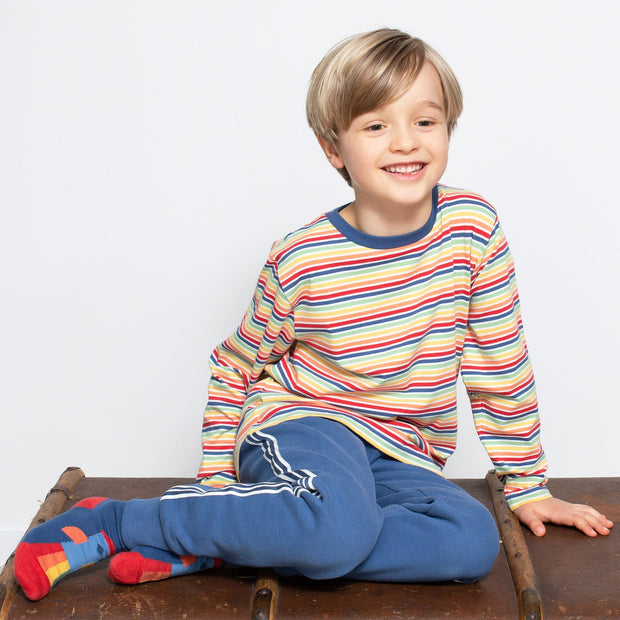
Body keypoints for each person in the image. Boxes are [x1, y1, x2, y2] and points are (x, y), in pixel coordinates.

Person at [14, 28, 613, 602]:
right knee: (333, 531)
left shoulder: (474, 231)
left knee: (470, 544)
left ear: (448, 129)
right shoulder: (303, 259)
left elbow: (497, 360)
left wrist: (526, 486)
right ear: (333, 149)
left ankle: (231, 541)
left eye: (424, 121)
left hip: (403, 450)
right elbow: (235, 366)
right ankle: (126, 522)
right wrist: (218, 486)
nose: (406, 141)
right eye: (376, 125)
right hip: (305, 424)